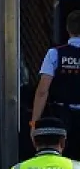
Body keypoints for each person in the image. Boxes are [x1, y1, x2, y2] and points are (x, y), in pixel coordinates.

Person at [30, 11, 80, 142]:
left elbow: (42, 91)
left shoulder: (55, 53)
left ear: (68, 29)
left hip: (62, 116)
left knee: (62, 157)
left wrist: (34, 123)